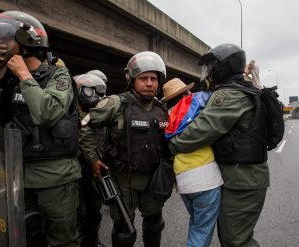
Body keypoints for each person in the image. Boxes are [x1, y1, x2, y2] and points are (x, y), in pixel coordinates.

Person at [0, 11, 81, 247]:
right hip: (18, 178)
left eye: (5, 39)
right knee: (26, 239)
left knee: (63, 241)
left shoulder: (57, 75)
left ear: (27, 41)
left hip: (56, 179)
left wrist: (24, 74)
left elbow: (47, 113)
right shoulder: (7, 82)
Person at [168, 43, 270, 247]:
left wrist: (171, 145)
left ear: (223, 67)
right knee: (230, 237)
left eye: (211, 67)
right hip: (240, 177)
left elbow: (199, 132)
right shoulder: (240, 89)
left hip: (242, 180)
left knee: (236, 241)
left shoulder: (229, 95)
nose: (209, 73)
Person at [81, 51, 170, 247]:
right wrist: (93, 159)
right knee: (124, 230)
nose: (149, 83)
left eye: (153, 79)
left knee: (155, 225)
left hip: (153, 181)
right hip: (124, 180)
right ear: (132, 80)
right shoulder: (116, 104)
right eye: (143, 78)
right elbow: (85, 126)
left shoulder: (162, 109)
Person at [162, 78, 223, 247]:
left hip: (183, 181)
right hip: (204, 179)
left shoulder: (168, 118)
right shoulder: (196, 109)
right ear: (187, 93)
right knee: (202, 230)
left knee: (196, 223)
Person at [75, 72, 107, 247]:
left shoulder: (97, 114)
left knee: (94, 210)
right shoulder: (69, 113)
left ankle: (92, 240)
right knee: (77, 212)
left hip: (93, 168)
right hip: (77, 168)